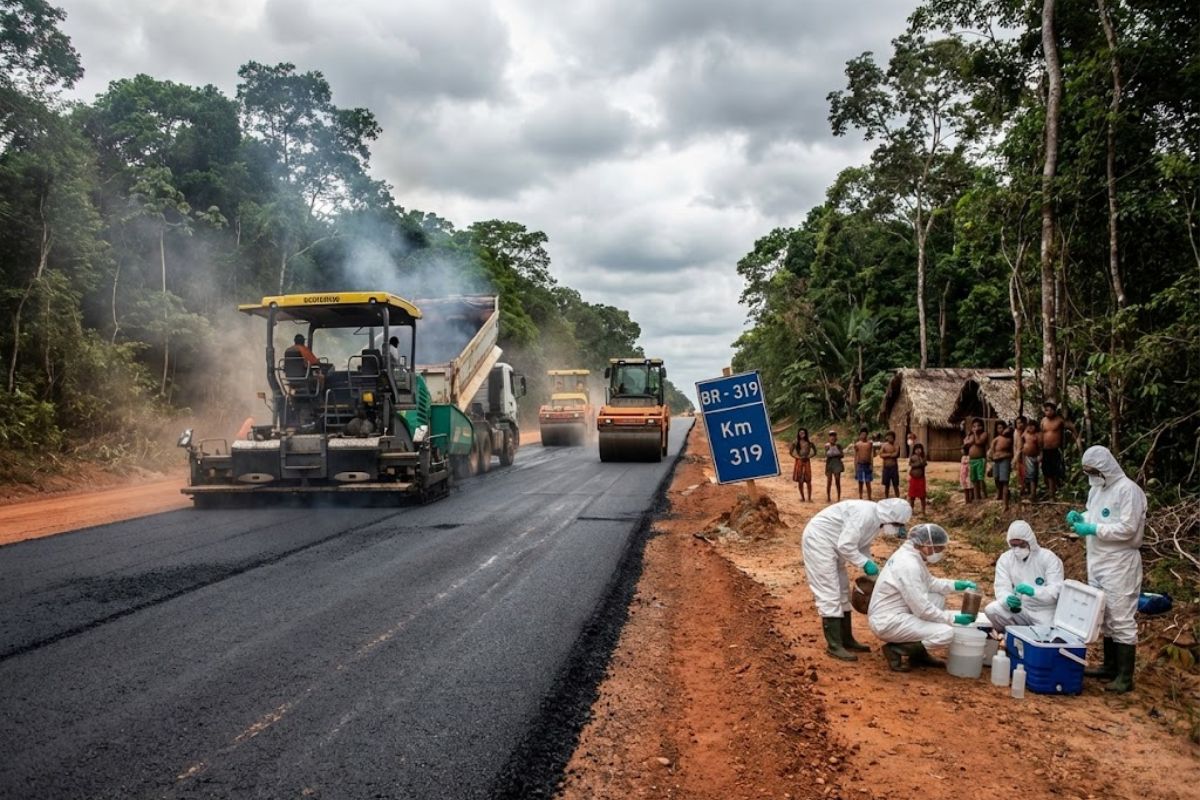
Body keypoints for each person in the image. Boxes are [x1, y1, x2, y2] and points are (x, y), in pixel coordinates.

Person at [1066, 445, 1146, 693]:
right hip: (1098, 559)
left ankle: (1124, 675)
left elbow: (1128, 528)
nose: (1091, 476)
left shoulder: (1128, 490)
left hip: (1120, 562)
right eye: (1087, 471)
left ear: (1106, 467)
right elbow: (1095, 514)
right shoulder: (1096, 488)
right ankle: (1109, 665)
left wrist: (1093, 530)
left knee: (1121, 616)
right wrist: (1081, 517)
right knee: (1105, 615)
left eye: (1093, 471)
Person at [801, 497, 913, 661]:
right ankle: (834, 645)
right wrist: (864, 563)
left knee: (843, 590)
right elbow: (846, 545)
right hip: (819, 542)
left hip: (834, 546)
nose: (898, 529)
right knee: (829, 591)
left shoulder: (876, 521)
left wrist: (872, 569)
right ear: (890, 518)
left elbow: (861, 546)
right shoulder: (865, 515)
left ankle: (847, 639)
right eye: (898, 525)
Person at [867, 523, 979, 672]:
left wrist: (956, 585)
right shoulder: (908, 564)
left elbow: (930, 583)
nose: (940, 552)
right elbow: (922, 609)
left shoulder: (912, 554)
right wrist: (953, 619)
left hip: (896, 611)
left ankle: (918, 654)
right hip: (888, 621)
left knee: (938, 598)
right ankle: (899, 649)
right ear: (926, 544)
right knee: (946, 633)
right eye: (939, 548)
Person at [982, 520, 1064, 634]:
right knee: (992, 611)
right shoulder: (1006, 559)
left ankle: (1026, 634)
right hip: (1021, 609)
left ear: (1030, 541)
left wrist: (1033, 592)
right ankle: (1011, 635)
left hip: (1044, 611)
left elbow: (1056, 591)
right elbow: (1001, 587)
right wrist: (1007, 599)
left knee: (1049, 636)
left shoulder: (1048, 558)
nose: (1017, 549)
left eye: (1021, 545)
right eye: (1013, 545)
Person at [1040, 402, 1077, 501]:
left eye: (1049, 410)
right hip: (1045, 449)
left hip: (1055, 450)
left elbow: (1071, 427)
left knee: (1054, 473)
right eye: (1046, 410)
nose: (1047, 412)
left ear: (1054, 410)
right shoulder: (1043, 421)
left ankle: (1053, 495)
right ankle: (1050, 492)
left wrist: (1077, 439)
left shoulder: (1059, 420)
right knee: (1045, 472)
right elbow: (1040, 435)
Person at [989, 420, 1014, 511]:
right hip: (996, 461)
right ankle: (999, 493)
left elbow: (1012, 451)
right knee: (996, 478)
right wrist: (991, 457)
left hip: (1005, 460)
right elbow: (991, 450)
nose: (1001, 430)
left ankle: (1005, 504)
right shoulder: (996, 439)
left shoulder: (1009, 439)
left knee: (1004, 481)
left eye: (1002, 428)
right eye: (998, 428)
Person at [789, 428, 816, 502]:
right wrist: (798, 457)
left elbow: (815, 452)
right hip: (799, 462)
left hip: (807, 461)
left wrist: (809, 456)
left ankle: (809, 498)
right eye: (800, 433)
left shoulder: (809, 442)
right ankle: (803, 497)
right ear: (798, 434)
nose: (802, 434)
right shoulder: (796, 442)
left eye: (803, 433)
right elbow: (790, 452)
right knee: (800, 480)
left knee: (808, 480)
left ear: (806, 433)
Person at [967, 417, 989, 502]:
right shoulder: (971, 436)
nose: (976, 428)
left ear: (982, 426)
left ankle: (984, 495)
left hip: (980, 460)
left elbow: (979, 442)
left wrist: (975, 433)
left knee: (980, 478)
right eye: (974, 426)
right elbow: (966, 444)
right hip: (972, 460)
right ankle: (976, 497)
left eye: (978, 426)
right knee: (974, 479)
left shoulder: (984, 434)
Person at [1021, 418, 1042, 501]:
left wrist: (1040, 456)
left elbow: (1040, 447)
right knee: (1028, 476)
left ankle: (1033, 494)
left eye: (1032, 426)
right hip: (1026, 457)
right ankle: (1029, 492)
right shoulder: (1025, 434)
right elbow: (1022, 439)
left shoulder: (1037, 435)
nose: (1030, 428)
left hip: (1034, 457)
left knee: (1033, 476)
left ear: (1036, 427)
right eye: (1029, 426)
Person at [853, 428, 874, 500]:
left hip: (867, 465)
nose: (863, 436)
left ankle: (869, 497)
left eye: (865, 434)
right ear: (860, 435)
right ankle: (860, 497)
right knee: (860, 482)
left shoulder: (869, 444)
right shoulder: (857, 444)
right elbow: (856, 456)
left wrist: (872, 465)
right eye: (862, 434)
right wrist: (855, 468)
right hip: (860, 465)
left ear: (867, 435)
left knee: (868, 482)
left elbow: (871, 455)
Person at [907, 442, 928, 515]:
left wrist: (920, 460)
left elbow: (924, 464)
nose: (918, 451)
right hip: (913, 479)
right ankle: (911, 510)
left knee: (922, 496)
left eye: (920, 449)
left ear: (922, 450)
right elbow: (910, 464)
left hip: (921, 479)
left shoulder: (923, 457)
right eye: (916, 449)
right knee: (912, 496)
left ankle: (923, 511)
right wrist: (917, 464)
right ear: (914, 450)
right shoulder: (912, 457)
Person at [880, 431, 901, 499]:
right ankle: (886, 498)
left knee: (895, 485)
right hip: (886, 467)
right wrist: (889, 454)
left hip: (894, 467)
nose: (889, 439)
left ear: (893, 438)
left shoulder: (896, 445)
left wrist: (887, 455)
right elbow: (881, 455)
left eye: (891, 437)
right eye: (888, 437)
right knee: (887, 485)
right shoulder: (884, 445)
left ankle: (897, 498)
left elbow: (896, 454)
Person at [824, 430, 844, 502]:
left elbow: (842, 455)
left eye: (833, 436)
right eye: (831, 436)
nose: (832, 438)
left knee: (837, 479)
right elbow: (826, 454)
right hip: (830, 463)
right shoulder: (827, 446)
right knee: (829, 481)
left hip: (837, 462)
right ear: (829, 438)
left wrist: (835, 453)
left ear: (836, 438)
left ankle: (838, 497)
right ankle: (828, 497)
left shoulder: (838, 446)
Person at [1013, 416, 1028, 499]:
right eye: (1017, 423)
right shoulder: (1015, 432)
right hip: (1017, 455)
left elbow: (1022, 446)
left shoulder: (1026, 432)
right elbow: (1015, 446)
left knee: (1026, 473)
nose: (1019, 425)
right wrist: (1014, 456)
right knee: (1019, 473)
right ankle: (1021, 489)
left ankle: (1026, 489)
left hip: (1025, 455)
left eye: (1021, 423)